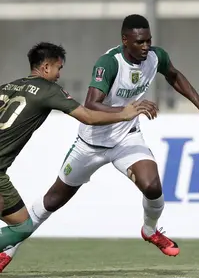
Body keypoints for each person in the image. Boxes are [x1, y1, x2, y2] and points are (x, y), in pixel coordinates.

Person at [0, 14, 199, 271]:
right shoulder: (109, 63)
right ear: (125, 40)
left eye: (149, 41)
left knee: (152, 185)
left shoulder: (156, 57)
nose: (146, 47)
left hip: (126, 139)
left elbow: (174, 75)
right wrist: (125, 111)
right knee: (52, 202)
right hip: (89, 144)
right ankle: (8, 250)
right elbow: (91, 106)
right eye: (140, 42)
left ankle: (150, 231)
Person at [0, 41, 159, 258]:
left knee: (19, 222)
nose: (58, 75)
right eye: (58, 68)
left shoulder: (8, 86)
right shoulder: (48, 89)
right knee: (22, 227)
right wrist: (126, 113)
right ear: (46, 67)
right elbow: (89, 116)